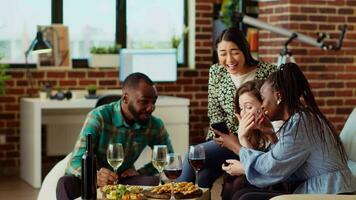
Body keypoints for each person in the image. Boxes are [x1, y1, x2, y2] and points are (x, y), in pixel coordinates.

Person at [214, 63, 356, 200]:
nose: (262, 105)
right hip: (321, 189)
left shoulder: (301, 123)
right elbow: (281, 161)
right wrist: (270, 133)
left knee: (244, 197)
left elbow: (271, 167)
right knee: (241, 194)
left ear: (278, 96)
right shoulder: (298, 120)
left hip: (330, 192)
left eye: (263, 98)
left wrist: (237, 145)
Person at [177, 27, 277, 188]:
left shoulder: (269, 71)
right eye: (223, 53)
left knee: (191, 155)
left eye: (234, 52)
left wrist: (245, 134)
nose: (229, 59)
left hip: (258, 139)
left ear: (245, 50)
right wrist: (225, 136)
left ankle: (175, 196)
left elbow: (274, 109)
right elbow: (214, 111)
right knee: (204, 175)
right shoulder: (216, 72)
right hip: (223, 138)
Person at [56, 72, 174, 200]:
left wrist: (140, 172)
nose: (151, 107)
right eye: (144, 101)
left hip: (123, 180)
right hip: (93, 181)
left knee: (153, 182)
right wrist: (95, 176)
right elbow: (74, 163)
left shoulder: (155, 125)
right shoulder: (98, 117)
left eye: (154, 101)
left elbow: (169, 158)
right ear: (125, 99)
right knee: (65, 183)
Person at [220, 80, 279, 200]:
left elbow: (267, 168)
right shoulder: (255, 132)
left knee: (238, 185)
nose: (243, 113)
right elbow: (254, 163)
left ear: (264, 105)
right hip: (265, 178)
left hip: (279, 181)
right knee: (230, 182)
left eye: (248, 107)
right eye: (241, 108)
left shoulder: (276, 126)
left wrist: (242, 138)